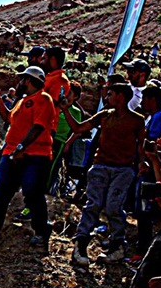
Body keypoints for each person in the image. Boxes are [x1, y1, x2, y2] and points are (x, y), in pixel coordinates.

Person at [62, 83, 146, 266]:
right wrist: (66, 109)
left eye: (110, 94)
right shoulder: (104, 115)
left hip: (123, 169)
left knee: (114, 206)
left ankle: (117, 246)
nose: (106, 98)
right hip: (101, 166)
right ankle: (81, 244)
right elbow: (78, 128)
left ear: (121, 97)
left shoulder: (136, 120)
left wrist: (141, 163)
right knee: (93, 204)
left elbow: (141, 144)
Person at [0, 66, 56, 252]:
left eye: (22, 79)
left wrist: (21, 147)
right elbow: (8, 118)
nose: (19, 82)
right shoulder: (22, 101)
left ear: (29, 80)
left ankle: (41, 231)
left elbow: (38, 126)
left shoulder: (44, 99)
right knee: (0, 193)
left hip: (35, 154)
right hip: (11, 152)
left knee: (32, 191)